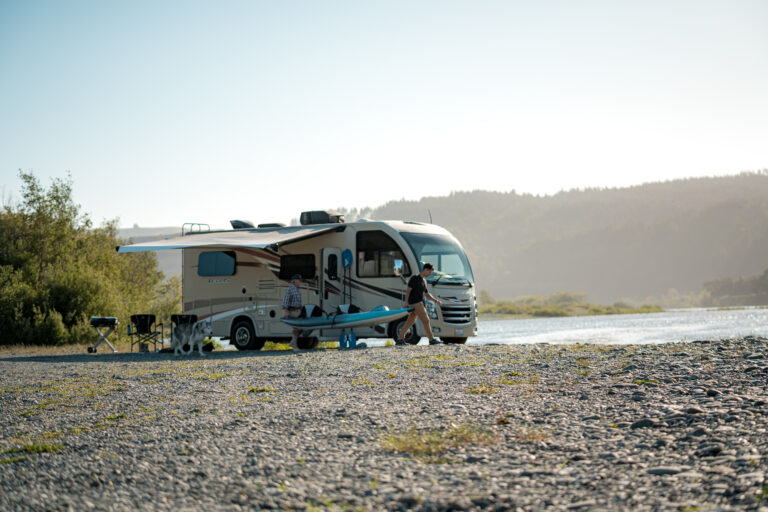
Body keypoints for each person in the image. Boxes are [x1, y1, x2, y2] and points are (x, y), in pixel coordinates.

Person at [395, 262, 442, 345]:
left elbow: (426, 295)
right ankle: (431, 340)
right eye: (430, 272)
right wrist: (406, 302)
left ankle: (400, 339)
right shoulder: (415, 278)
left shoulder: (424, 281)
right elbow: (408, 290)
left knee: (410, 321)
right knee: (426, 320)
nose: (430, 274)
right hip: (416, 303)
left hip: (418, 303)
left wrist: (436, 301)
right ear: (425, 270)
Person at [282, 274, 304, 350]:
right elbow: (285, 301)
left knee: (301, 328)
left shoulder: (298, 289)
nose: (300, 282)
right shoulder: (290, 289)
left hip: (298, 311)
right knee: (296, 328)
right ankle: (295, 347)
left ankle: (292, 342)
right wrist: (286, 311)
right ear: (294, 281)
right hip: (293, 311)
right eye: (299, 280)